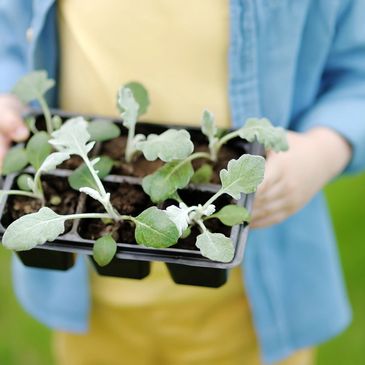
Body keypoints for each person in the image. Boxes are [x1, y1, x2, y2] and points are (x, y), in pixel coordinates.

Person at [1, 1, 365, 364]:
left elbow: (356, 74)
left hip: (251, 311)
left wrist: (324, 149)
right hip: (89, 301)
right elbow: (9, 33)